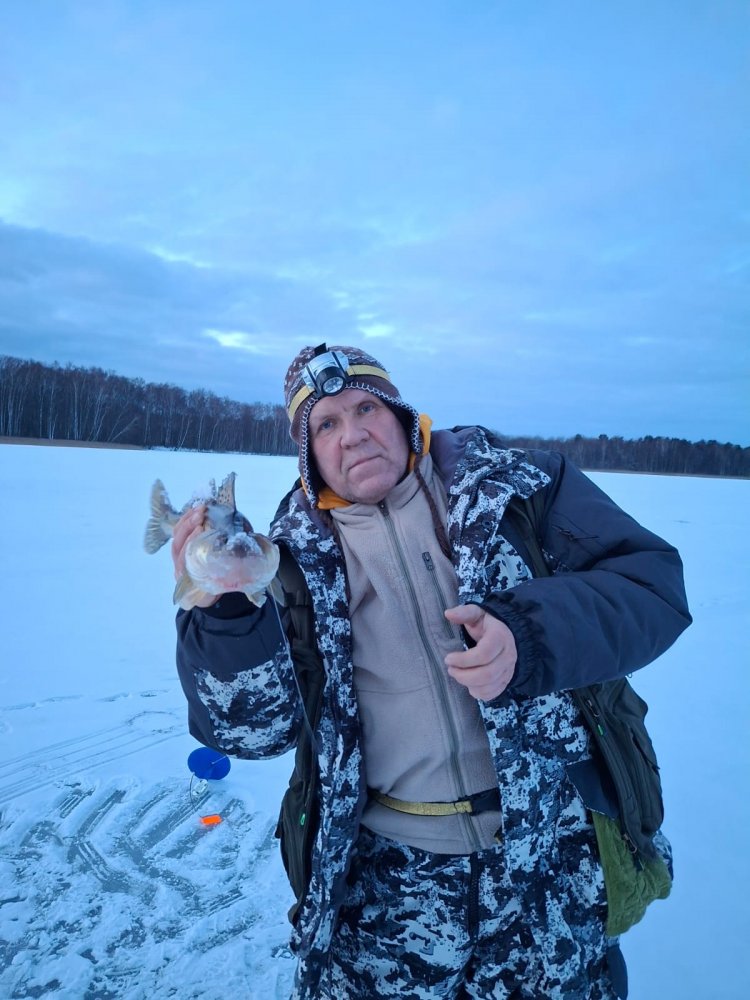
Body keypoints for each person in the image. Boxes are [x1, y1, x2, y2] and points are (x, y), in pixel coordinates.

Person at [173, 344, 691, 1000]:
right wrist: (223, 612)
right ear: (308, 454)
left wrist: (530, 637)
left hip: (548, 854)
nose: (353, 434)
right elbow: (249, 732)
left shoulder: (518, 488)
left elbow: (651, 586)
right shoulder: (286, 560)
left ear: (401, 414)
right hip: (386, 885)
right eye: (325, 424)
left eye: (366, 408)